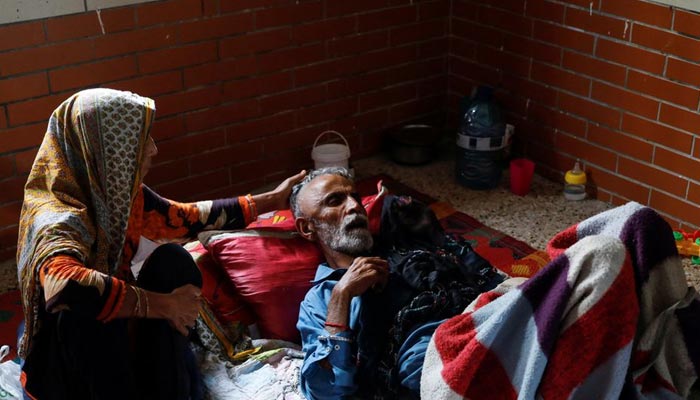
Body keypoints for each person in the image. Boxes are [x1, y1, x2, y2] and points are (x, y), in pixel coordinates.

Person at [15, 88, 306, 400]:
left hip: (115, 342)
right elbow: (62, 284)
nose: (153, 149)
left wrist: (270, 200)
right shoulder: (57, 216)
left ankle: (167, 388)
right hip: (68, 364)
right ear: (107, 150)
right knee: (82, 312)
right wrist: (164, 305)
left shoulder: (116, 194)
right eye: (141, 141)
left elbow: (183, 218)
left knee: (173, 261)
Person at [291, 167, 503, 399]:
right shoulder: (320, 300)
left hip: (488, 322)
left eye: (356, 198)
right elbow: (324, 390)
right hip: (435, 366)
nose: (354, 207)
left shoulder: (404, 244)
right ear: (306, 227)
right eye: (335, 201)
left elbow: (489, 282)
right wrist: (342, 295)